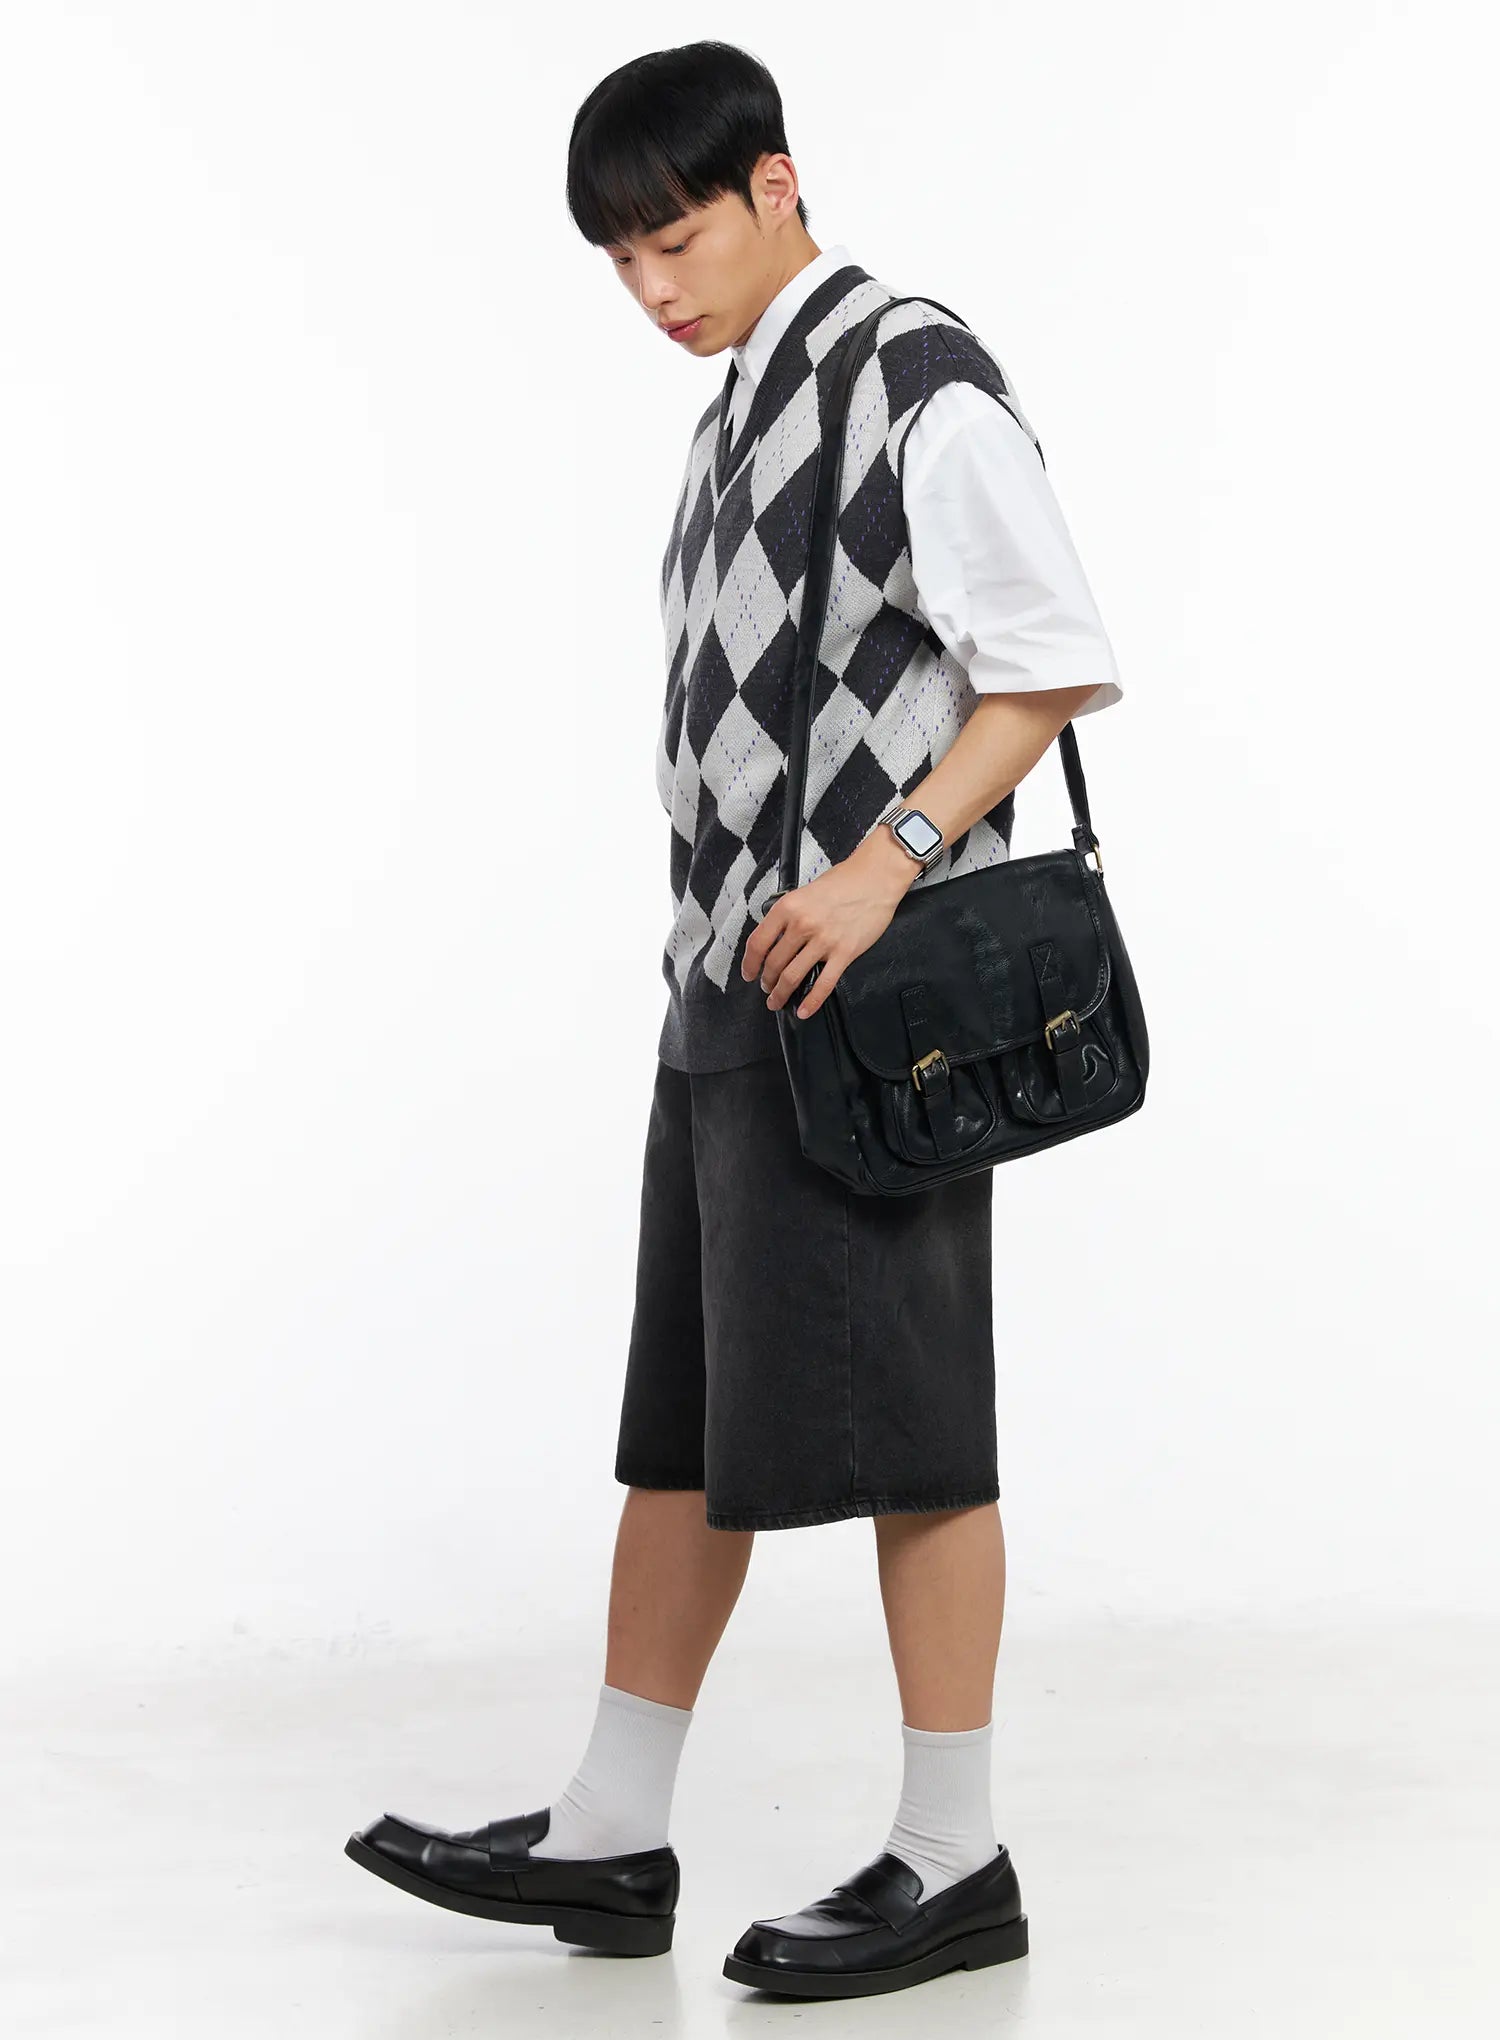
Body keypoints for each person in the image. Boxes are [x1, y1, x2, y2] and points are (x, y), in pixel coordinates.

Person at [345, 38, 1124, 2001]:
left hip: (875, 1004)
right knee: (681, 1427)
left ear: (778, 183)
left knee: (921, 1427)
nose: (651, 290)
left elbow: (1052, 658)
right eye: (619, 262)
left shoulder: (913, 375)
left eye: (674, 240)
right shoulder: (735, 414)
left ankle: (956, 1858)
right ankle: (610, 1836)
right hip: (727, 993)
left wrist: (884, 866)